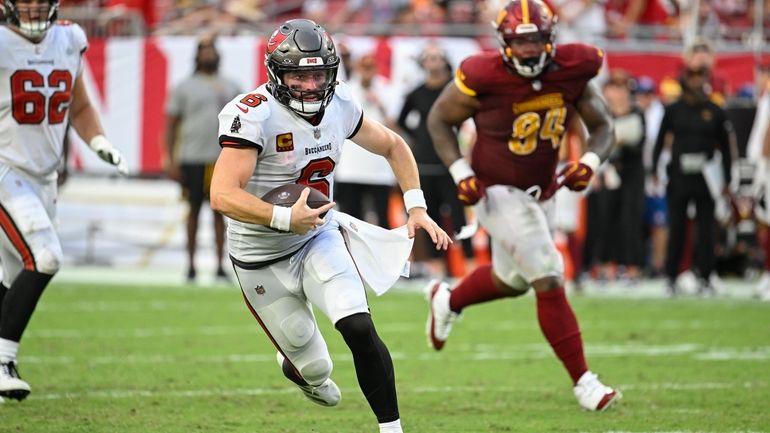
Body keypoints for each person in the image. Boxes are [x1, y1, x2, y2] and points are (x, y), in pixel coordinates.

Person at [210, 19, 451, 433]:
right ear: (276, 74)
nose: (309, 85)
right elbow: (222, 194)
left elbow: (393, 145)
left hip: (316, 237)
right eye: (298, 76)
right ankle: (302, 371)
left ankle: (392, 430)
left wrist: (416, 206)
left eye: (318, 74)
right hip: (258, 257)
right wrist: (284, 217)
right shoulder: (253, 115)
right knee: (316, 367)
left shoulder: (339, 102)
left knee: (357, 323)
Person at [425, 0, 621, 411]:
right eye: (520, 43)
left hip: (541, 191)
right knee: (548, 274)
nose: (530, 51)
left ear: (551, 39)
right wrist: (461, 171)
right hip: (494, 190)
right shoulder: (482, 74)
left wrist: (588, 161)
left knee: (511, 280)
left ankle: (448, 300)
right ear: (504, 43)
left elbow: (603, 126)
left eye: (537, 42)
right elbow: (438, 120)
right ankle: (584, 382)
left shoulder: (574, 67)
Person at [0, 0, 127, 401]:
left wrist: (99, 141)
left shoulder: (69, 38)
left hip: (43, 178)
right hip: (4, 170)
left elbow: (81, 104)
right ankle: (3, 360)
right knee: (45, 256)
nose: (35, 6)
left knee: (8, 276)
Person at [651, 65, 735, 297]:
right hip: (679, 174)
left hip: (706, 175)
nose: (697, 82)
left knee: (707, 228)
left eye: (701, 76)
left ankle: (706, 277)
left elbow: (726, 148)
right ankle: (671, 276)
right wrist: (655, 170)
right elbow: (660, 140)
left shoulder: (715, 110)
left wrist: (727, 178)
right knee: (676, 227)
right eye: (693, 76)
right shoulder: (674, 110)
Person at [164, 36, 241, 283]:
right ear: (196, 56)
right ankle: (191, 265)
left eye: (212, 50)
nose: (208, 55)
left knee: (221, 211)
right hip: (193, 158)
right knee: (193, 211)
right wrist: (169, 158)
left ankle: (220, 265)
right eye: (204, 51)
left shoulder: (231, 85)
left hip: (222, 159)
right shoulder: (184, 86)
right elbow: (170, 125)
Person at [397, 44, 473, 278]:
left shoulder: (454, 89)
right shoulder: (417, 92)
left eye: (437, 57)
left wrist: (461, 140)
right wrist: (418, 138)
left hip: (450, 163)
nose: (433, 62)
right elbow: (401, 120)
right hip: (425, 164)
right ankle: (438, 269)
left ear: (444, 61)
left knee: (460, 218)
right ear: (423, 63)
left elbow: (468, 118)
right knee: (432, 218)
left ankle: (468, 268)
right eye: (428, 58)